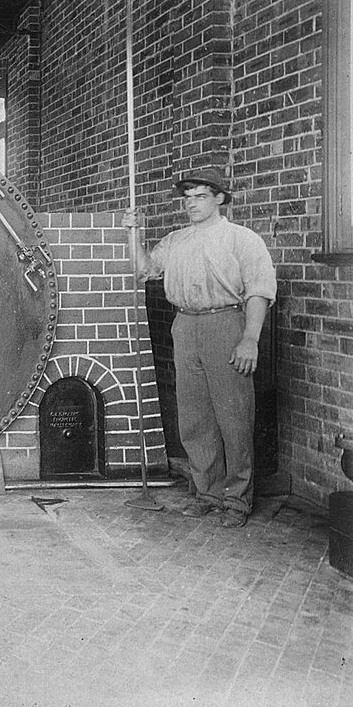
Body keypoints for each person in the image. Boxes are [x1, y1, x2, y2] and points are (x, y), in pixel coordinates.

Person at [123, 168, 276, 529]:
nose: (191, 204)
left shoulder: (242, 239)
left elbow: (259, 290)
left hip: (226, 323)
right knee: (194, 417)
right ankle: (207, 493)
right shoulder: (176, 240)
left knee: (234, 416)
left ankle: (237, 500)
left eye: (201, 196)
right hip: (185, 324)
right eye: (187, 198)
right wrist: (134, 235)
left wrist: (249, 338)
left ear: (220, 199)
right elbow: (144, 271)